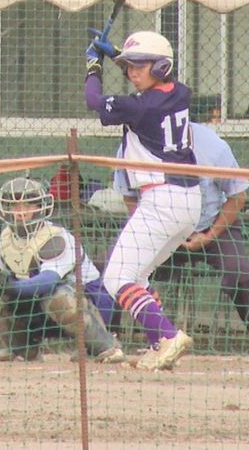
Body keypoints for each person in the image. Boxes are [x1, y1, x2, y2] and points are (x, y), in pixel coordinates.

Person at [114, 122, 249, 362]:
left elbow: (238, 196)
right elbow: (130, 198)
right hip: (161, 227)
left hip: (213, 224)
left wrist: (210, 235)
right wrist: (148, 232)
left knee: (243, 275)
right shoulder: (131, 146)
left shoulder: (211, 144)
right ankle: (111, 343)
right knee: (118, 270)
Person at [84, 29, 201, 370]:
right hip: (186, 202)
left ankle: (167, 334)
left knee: (116, 277)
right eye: (129, 66)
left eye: (139, 66)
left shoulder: (140, 108)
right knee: (137, 277)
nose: (132, 72)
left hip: (162, 199)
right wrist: (118, 54)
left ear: (160, 67)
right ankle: (158, 343)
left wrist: (93, 66)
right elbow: (150, 77)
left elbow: (94, 101)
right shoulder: (178, 93)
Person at [0, 176, 125, 363]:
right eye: (15, 206)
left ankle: (104, 346)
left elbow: (47, 281)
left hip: (90, 308)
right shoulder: (6, 238)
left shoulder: (55, 237)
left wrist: (9, 287)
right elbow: (8, 278)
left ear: (41, 207)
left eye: (29, 205)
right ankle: (24, 349)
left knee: (55, 296)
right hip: (41, 308)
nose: (21, 212)